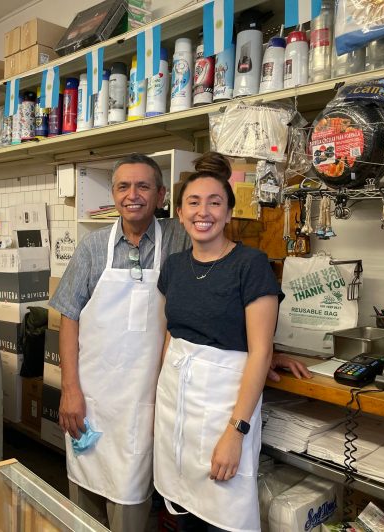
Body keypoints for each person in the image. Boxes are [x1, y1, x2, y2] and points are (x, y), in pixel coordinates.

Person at [50, 153, 309, 532]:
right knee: (90, 502)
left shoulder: (177, 237)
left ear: (159, 197)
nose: (132, 195)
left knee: (152, 503)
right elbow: (68, 316)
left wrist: (263, 350)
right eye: (123, 186)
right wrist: (69, 388)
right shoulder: (94, 247)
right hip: (97, 396)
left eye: (143, 186)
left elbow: (226, 298)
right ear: (113, 193)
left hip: (152, 400)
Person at [154, 152, 283, 531]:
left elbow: (261, 352)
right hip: (176, 406)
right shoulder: (175, 266)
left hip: (225, 410)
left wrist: (235, 432)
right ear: (180, 213)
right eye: (193, 202)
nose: (203, 211)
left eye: (215, 203)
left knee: (224, 514)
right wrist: (158, 408)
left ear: (229, 213)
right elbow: (170, 335)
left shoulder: (251, 265)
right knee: (183, 512)